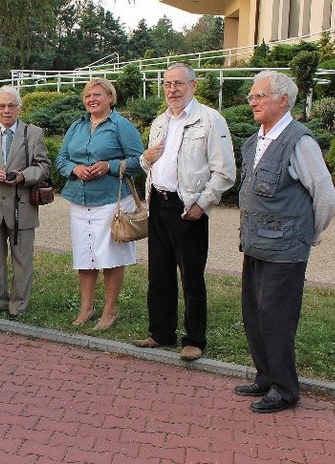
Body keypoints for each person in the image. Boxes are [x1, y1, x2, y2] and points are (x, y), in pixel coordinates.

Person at [234, 71, 335, 413]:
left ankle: (285, 389)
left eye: (260, 95)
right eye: (252, 95)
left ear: (283, 100)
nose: (253, 100)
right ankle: (265, 377)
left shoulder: (299, 141)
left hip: (285, 248)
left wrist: (310, 235)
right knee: (255, 314)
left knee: (276, 318)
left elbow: (325, 196)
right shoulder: (255, 141)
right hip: (255, 244)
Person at [132, 62, 236, 361]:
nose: (172, 90)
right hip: (158, 204)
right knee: (159, 273)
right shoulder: (160, 122)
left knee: (191, 275)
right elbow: (151, 162)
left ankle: (194, 339)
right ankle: (160, 333)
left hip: (187, 207)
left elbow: (225, 172)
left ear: (193, 86)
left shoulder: (210, 120)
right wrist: (145, 158)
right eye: (167, 84)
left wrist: (201, 205)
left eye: (178, 83)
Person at [55, 78, 143, 330]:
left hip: (111, 201)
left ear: (110, 98)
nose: (91, 99)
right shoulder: (77, 126)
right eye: (87, 95)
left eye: (97, 95)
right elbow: (61, 159)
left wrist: (110, 166)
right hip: (80, 201)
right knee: (85, 255)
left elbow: (140, 160)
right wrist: (75, 168)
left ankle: (110, 310)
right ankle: (86, 308)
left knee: (110, 255)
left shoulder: (121, 126)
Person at [0, 86, 51, 317]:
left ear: (19, 108)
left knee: (22, 260)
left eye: (11, 106)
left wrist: (25, 176)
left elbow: (44, 166)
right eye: (1, 106)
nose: (6, 110)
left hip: (22, 206)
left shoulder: (33, 133)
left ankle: (19, 304)